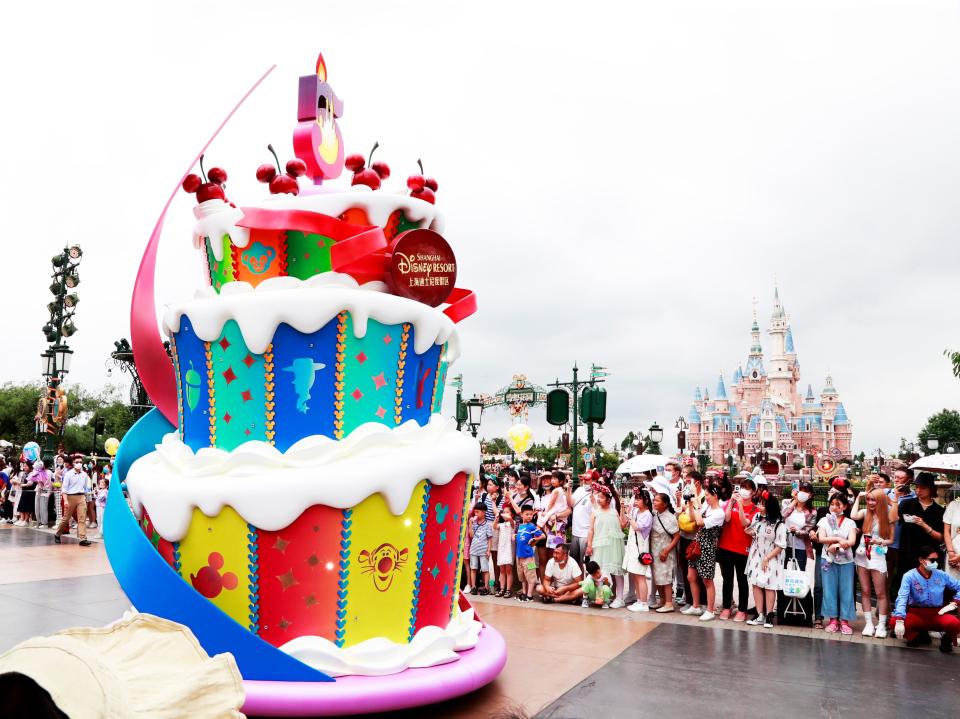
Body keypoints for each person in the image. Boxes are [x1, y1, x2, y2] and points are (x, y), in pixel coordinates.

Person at [893, 546, 960, 652]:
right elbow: (902, 597)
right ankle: (915, 636)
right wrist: (900, 619)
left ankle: (947, 640)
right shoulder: (909, 576)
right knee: (894, 621)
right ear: (921, 560)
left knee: (955, 623)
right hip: (916, 613)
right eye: (932, 560)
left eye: (937, 560)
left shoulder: (941, 575)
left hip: (938, 613)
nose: (936, 563)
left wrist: (956, 602)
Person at [850, 488, 894, 637]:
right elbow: (853, 515)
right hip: (862, 553)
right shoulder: (865, 513)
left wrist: (880, 541)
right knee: (865, 591)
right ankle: (869, 624)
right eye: (868, 499)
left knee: (880, 592)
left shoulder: (888, 516)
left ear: (880, 500)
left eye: (873, 499)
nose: (870, 503)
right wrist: (859, 498)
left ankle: (881, 625)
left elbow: (891, 540)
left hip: (878, 554)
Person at [716, 478, 759, 621]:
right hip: (726, 546)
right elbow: (726, 519)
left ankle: (742, 609)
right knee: (727, 579)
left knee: (742, 580)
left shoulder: (755, 509)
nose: (744, 490)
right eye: (742, 487)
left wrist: (740, 505)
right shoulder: (731, 502)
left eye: (747, 488)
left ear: (753, 492)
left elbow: (744, 524)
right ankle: (727, 607)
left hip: (743, 549)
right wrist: (731, 502)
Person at [681, 484, 725, 621]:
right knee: (691, 576)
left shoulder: (719, 513)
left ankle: (710, 610)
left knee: (707, 579)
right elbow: (694, 518)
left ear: (715, 496)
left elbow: (700, 522)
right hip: (697, 543)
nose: (705, 498)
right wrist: (690, 503)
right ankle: (695, 606)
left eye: (707, 495)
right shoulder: (706, 507)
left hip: (707, 547)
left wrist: (695, 506)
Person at [817, 493, 857, 634]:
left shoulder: (850, 522)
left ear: (845, 506)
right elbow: (821, 538)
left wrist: (837, 546)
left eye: (838, 504)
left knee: (846, 590)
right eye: (832, 504)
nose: (834, 507)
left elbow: (851, 541)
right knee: (829, 590)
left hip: (846, 561)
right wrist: (839, 540)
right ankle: (833, 620)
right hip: (828, 559)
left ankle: (845, 621)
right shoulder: (823, 520)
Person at [745, 493, 786, 628]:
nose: (759, 506)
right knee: (756, 584)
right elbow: (753, 530)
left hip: (771, 557)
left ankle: (769, 614)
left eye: (762, 504)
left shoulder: (778, 523)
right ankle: (759, 614)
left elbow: (781, 545)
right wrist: (750, 531)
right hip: (756, 555)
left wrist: (767, 558)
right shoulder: (757, 517)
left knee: (769, 585)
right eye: (759, 503)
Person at [895, 473, 944, 583]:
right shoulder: (907, 504)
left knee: (928, 586)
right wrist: (896, 498)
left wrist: (924, 526)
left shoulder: (939, 511)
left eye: (923, 487)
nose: (918, 490)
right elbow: (894, 519)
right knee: (906, 587)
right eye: (916, 487)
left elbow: (941, 537)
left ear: (931, 489)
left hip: (929, 555)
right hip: (908, 553)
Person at [586, 482, 627, 608]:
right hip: (599, 544)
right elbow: (591, 530)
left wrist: (623, 509)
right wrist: (589, 544)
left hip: (614, 545)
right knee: (599, 571)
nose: (599, 499)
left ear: (608, 499)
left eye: (602, 497)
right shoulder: (595, 512)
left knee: (617, 572)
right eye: (598, 496)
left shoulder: (614, 511)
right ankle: (601, 596)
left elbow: (622, 525)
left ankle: (620, 597)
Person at [675, 470, 705, 607]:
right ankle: (689, 599)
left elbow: (699, 515)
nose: (686, 483)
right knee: (685, 568)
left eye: (688, 481)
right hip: (684, 535)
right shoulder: (686, 495)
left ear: (696, 482)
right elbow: (679, 511)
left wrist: (692, 501)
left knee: (699, 571)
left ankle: (701, 602)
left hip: (697, 538)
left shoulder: (704, 496)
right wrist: (679, 499)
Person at [623, 488, 653, 612]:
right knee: (635, 574)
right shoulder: (637, 512)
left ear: (646, 500)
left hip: (641, 548)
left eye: (639, 498)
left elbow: (636, 527)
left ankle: (644, 603)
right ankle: (639, 600)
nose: (636, 501)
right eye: (636, 498)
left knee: (640, 576)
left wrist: (630, 516)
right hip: (633, 547)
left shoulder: (647, 514)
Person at [650, 492, 680, 613]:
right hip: (655, 551)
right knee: (658, 577)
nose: (654, 502)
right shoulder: (655, 515)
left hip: (666, 552)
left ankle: (669, 603)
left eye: (657, 500)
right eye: (654, 500)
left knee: (666, 578)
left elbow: (677, 536)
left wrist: (667, 550)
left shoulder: (671, 518)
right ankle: (662, 600)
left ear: (665, 504)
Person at [887, 467, 915, 594]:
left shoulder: (914, 497)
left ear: (909, 480)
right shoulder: (888, 494)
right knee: (885, 576)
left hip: (903, 543)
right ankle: (883, 608)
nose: (896, 480)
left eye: (900, 478)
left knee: (903, 576)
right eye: (895, 477)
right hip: (886, 541)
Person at [54, 455, 92, 546]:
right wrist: (66, 500)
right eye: (77, 462)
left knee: (82, 518)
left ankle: (82, 538)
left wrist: (87, 495)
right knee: (66, 518)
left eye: (80, 462)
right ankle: (57, 534)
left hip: (81, 497)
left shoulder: (84, 474)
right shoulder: (68, 474)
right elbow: (64, 489)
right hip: (70, 497)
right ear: (73, 463)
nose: (79, 464)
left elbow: (85, 487)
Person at [782, 480, 817, 571]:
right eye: (801, 490)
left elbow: (808, 530)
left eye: (806, 491)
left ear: (810, 495)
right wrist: (795, 501)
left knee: (799, 573)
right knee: (784, 571)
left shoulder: (812, 512)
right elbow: (782, 516)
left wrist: (797, 532)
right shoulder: (787, 503)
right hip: (784, 544)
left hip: (800, 547)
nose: (802, 493)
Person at [514, 507, 544, 602]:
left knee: (531, 576)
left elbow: (543, 535)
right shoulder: (520, 526)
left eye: (531, 514)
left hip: (529, 557)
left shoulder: (532, 526)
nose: (529, 516)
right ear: (522, 514)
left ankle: (529, 596)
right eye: (527, 514)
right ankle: (524, 593)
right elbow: (518, 536)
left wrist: (535, 539)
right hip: (519, 556)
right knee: (522, 577)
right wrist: (513, 536)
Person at [567, 471, 595, 567]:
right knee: (575, 563)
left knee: (587, 563)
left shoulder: (596, 494)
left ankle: (589, 582)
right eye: (584, 480)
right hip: (575, 532)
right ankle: (580, 582)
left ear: (594, 481)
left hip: (586, 533)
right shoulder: (579, 490)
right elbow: (570, 503)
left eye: (588, 480)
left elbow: (596, 514)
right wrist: (569, 489)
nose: (585, 482)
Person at [467, 502, 493, 595]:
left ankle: (486, 587)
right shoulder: (474, 523)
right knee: (473, 568)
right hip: (474, 549)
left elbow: (490, 538)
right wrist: (470, 523)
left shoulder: (488, 524)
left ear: (484, 512)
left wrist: (488, 550)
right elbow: (471, 535)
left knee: (485, 569)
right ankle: (473, 586)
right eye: (475, 512)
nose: (476, 514)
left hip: (483, 550)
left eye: (478, 512)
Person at [494, 491, 516, 598]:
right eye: (504, 512)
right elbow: (495, 526)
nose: (505, 513)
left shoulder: (513, 523)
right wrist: (496, 519)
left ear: (511, 514)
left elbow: (511, 520)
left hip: (509, 549)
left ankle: (508, 589)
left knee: (508, 569)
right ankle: (502, 589)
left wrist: (505, 514)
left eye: (508, 512)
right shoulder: (502, 525)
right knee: (502, 570)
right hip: (501, 548)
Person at [31, 460, 53, 529]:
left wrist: (40, 480)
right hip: (38, 490)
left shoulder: (49, 472)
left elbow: (47, 482)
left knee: (43, 507)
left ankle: (44, 523)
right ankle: (38, 522)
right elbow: (32, 478)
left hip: (45, 491)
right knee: (37, 507)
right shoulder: (38, 471)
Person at [943, 493, 960, 580]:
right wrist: (951, 553)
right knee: (952, 586)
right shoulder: (953, 505)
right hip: (952, 554)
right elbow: (946, 531)